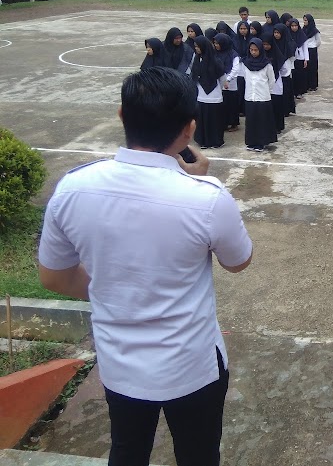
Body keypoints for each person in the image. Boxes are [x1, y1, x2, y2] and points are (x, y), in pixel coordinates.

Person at [38, 65, 252, 466]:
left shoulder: (73, 187)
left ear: (122, 116)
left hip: (121, 366)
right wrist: (201, 182)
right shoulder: (206, 197)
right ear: (190, 130)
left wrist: (116, 285)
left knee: (127, 451)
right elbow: (238, 261)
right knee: (199, 454)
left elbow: (53, 275)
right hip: (192, 365)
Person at [242, 38, 278, 152]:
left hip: (263, 97)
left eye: (256, 50)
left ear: (260, 50)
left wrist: (266, 91)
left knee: (261, 121)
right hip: (249, 96)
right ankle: (251, 142)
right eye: (251, 50)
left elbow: (271, 80)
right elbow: (244, 78)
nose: (253, 52)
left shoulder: (267, 65)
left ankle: (261, 142)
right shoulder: (245, 63)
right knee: (251, 120)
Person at [189, 36, 226, 149]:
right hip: (201, 94)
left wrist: (221, 87)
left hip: (214, 94)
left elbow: (222, 77)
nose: (196, 49)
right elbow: (194, 74)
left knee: (214, 119)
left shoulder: (215, 60)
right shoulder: (197, 59)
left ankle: (215, 141)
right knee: (202, 118)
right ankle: (203, 140)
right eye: (195, 47)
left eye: (198, 47)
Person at [213, 34, 240, 133]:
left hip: (230, 83)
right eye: (215, 43)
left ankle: (233, 123)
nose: (216, 45)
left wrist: (227, 79)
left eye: (218, 43)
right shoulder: (214, 53)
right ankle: (223, 123)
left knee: (231, 104)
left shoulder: (233, 54)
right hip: (219, 82)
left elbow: (236, 69)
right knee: (222, 104)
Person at [302, 14, 321, 92]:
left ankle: (313, 85)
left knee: (313, 68)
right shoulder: (303, 30)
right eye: (304, 20)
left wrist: (312, 46)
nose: (304, 22)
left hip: (312, 50)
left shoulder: (315, 31)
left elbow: (318, 41)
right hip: (305, 50)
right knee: (306, 68)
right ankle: (306, 84)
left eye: (306, 20)